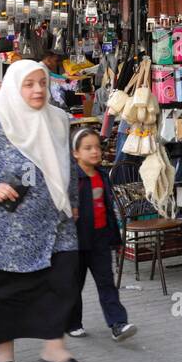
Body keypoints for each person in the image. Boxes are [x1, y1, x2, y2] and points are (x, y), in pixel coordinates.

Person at [0, 60, 85, 362]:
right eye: (29, 84)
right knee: (5, 292)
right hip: (2, 231)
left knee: (63, 283)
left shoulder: (58, 119)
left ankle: (54, 350)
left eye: (42, 82)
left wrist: (74, 202)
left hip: (55, 221)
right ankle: (3, 353)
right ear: (14, 87)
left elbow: (67, 164)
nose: (38, 89)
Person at [66, 127, 137, 342]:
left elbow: (109, 208)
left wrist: (116, 236)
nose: (95, 152)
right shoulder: (71, 179)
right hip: (76, 242)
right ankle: (72, 322)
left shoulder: (103, 176)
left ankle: (118, 323)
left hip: (100, 240)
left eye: (97, 147)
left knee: (107, 283)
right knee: (73, 285)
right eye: (88, 148)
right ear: (75, 153)